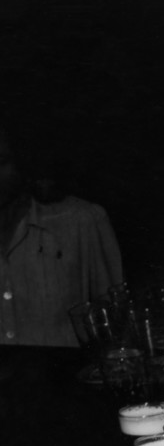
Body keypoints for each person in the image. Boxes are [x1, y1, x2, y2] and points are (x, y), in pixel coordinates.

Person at [0, 125, 123, 347]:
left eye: (1, 162)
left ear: (22, 162)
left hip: (66, 369)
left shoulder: (80, 221)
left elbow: (116, 317)